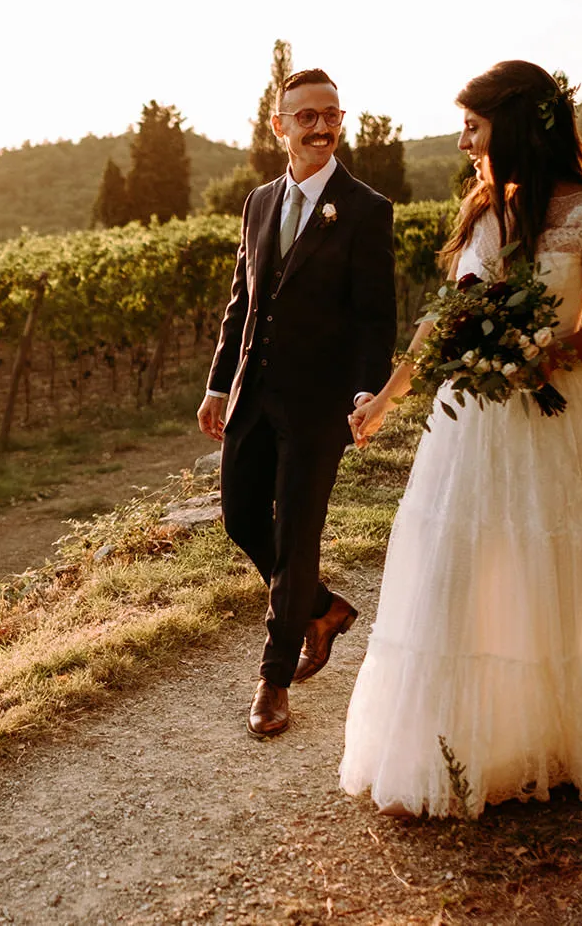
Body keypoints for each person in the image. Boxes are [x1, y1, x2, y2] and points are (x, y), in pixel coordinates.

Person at [339, 60, 582, 817]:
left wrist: (547, 353)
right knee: (458, 561)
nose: (462, 141)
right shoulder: (484, 212)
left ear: (511, 126)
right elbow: (443, 321)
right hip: (470, 422)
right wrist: (384, 398)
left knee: (548, 557)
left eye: (473, 127)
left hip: (552, 409)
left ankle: (550, 727)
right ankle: (455, 736)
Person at [199, 68, 398, 739]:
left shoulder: (367, 209)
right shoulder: (258, 203)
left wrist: (368, 390)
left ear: (342, 120)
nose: (320, 125)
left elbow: (376, 319)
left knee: (298, 536)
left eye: (331, 114)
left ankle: (274, 678)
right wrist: (218, 383)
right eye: (305, 115)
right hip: (252, 396)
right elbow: (241, 303)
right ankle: (320, 606)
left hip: (318, 409)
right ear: (278, 126)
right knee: (239, 518)